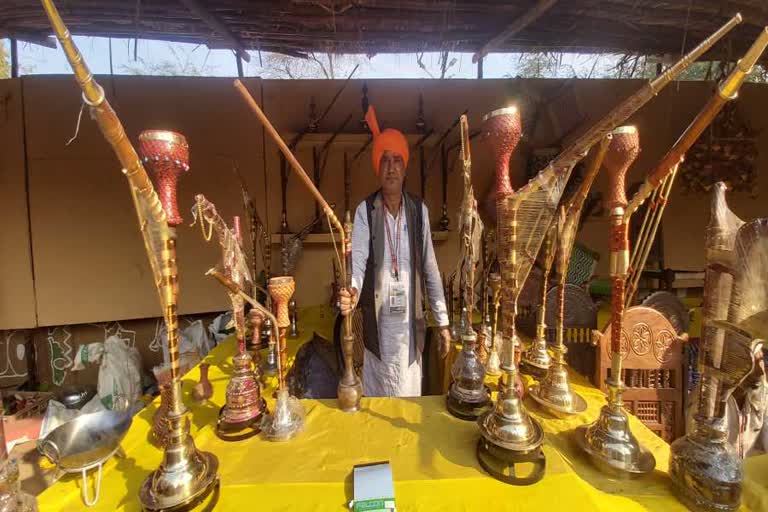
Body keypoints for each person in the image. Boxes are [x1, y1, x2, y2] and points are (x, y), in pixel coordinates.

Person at [339, 105, 451, 397]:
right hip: (378, 329)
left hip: (409, 329)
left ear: (405, 168)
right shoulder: (366, 210)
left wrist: (442, 323)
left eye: (397, 160)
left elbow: (429, 268)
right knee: (379, 398)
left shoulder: (418, 211)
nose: (390, 167)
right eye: (385, 160)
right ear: (378, 167)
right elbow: (359, 260)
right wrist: (351, 289)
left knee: (408, 398)